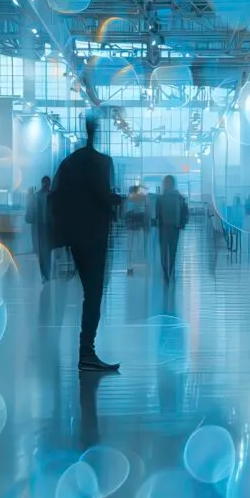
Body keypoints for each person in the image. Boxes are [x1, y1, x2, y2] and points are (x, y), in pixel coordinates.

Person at [51, 113, 122, 371]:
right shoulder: (102, 162)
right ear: (97, 131)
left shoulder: (69, 162)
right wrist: (118, 201)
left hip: (75, 238)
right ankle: (86, 351)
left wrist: (63, 237)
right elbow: (103, 198)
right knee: (93, 296)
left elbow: (55, 200)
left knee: (89, 295)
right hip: (94, 237)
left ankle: (86, 352)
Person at [155, 174, 189, 284]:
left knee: (165, 251)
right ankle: (169, 271)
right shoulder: (179, 197)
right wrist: (183, 223)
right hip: (174, 227)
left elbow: (157, 214)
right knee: (171, 251)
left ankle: (167, 272)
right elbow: (185, 212)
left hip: (165, 227)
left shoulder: (161, 198)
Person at [25, 176, 53, 282]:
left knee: (43, 253)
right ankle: (45, 276)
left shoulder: (36, 197)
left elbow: (28, 217)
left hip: (43, 229)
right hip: (44, 229)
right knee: (44, 254)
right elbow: (28, 217)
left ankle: (45, 276)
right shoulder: (47, 197)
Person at [125, 185, 148, 276]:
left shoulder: (129, 199)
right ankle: (137, 260)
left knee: (130, 244)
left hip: (131, 224)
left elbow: (126, 212)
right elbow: (143, 212)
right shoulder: (141, 199)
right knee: (138, 243)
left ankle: (130, 265)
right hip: (138, 223)